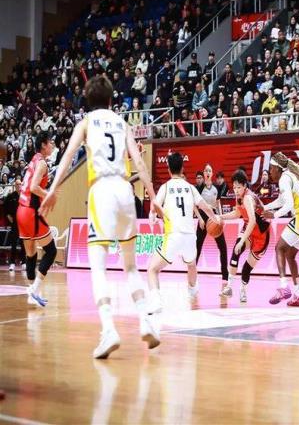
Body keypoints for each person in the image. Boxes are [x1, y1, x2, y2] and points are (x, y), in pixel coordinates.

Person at [40, 75, 164, 359]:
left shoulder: (85, 123)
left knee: (98, 267)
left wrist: (53, 189)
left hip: (102, 191)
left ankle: (108, 329)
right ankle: (146, 321)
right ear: (110, 99)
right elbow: (139, 160)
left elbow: (67, 157)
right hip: (125, 190)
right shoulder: (122, 122)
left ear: (87, 99)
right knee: (131, 267)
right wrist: (153, 196)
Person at [147, 153, 220, 313]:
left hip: (173, 235)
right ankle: (193, 293)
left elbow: (155, 206)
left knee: (152, 270)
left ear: (168, 169)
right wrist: (216, 219)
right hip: (190, 236)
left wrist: (152, 215)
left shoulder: (166, 187)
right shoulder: (191, 187)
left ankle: (156, 301)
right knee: (191, 264)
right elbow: (204, 205)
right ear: (182, 168)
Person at [264, 152, 299, 307]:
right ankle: (298, 294)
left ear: (278, 168)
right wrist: (265, 207)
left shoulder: (284, 178)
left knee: (279, 248)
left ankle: (284, 287)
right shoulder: (290, 176)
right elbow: (281, 200)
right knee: (290, 255)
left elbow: (288, 204)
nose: (270, 172)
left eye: (271, 168)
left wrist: (274, 215)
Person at [17, 130, 57, 308]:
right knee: (51, 251)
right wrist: (48, 194)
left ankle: (32, 293)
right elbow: (34, 187)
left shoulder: (34, 159)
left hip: (21, 210)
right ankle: (34, 289)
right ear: (43, 145)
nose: (53, 145)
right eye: (50, 142)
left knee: (31, 253)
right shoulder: (42, 164)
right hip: (30, 212)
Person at [219, 170, 270, 302]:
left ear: (245, 186)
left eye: (239, 187)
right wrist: (220, 217)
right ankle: (229, 287)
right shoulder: (239, 197)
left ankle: (242, 289)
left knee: (246, 268)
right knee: (236, 251)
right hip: (249, 228)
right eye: (234, 187)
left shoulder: (247, 198)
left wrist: (242, 241)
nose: (236, 190)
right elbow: (237, 214)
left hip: (262, 235)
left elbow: (253, 221)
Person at [195, 163, 229, 287]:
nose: (208, 172)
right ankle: (192, 273)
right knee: (197, 247)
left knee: (223, 247)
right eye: (206, 171)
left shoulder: (216, 188)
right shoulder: (199, 188)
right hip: (203, 218)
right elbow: (195, 205)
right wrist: (200, 219)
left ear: (212, 173)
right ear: (204, 173)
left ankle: (225, 276)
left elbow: (218, 203)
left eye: (209, 170)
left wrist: (221, 217)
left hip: (214, 218)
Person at [4, 180, 25, 271]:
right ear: (15, 185)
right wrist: (9, 217)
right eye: (17, 184)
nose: (19, 185)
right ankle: (12, 263)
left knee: (23, 242)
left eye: (20, 184)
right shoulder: (10, 196)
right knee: (13, 243)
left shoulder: (24, 196)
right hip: (15, 223)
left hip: (23, 222)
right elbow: (5, 208)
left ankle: (24, 262)